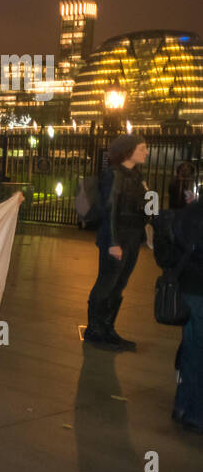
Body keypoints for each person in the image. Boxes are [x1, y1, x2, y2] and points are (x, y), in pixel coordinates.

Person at [84, 133, 149, 352]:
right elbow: (110, 210)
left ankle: (108, 329)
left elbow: (146, 207)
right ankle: (95, 330)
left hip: (132, 237)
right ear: (128, 151)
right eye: (142, 148)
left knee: (120, 284)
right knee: (107, 282)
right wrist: (113, 242)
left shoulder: (136, 176)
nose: (146, 152)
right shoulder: (114, 175)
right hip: (116, 237)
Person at [159, 199, 203, 433]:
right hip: (200, 291)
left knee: (191, 349)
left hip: (187, 288)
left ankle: (182, 406)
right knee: (198, 353)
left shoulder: (190, 210)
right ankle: (196, 414)